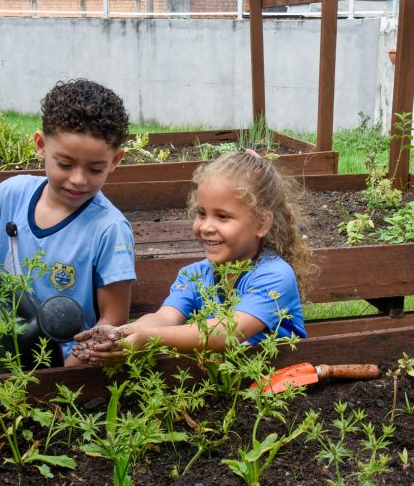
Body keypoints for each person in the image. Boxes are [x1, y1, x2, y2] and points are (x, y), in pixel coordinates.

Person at [0, 79, 136, 366]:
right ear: (40, 145)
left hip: (63, 362)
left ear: (115, 160)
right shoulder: (15, 192)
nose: (78, 179)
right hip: (1, 341)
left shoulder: (109, 229)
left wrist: (61, 376)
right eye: (64, 163)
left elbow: (113, 319)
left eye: (95, 168)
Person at [72, 150, 315, 363]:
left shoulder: (274, 275)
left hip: (281, 386)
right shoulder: (194, 275)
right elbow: (164, 317)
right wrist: (122, 333)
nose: (206, 226)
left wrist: (148, 339)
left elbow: (227, 332)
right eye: (201, 213)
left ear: (262, 223)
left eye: (222, 216)